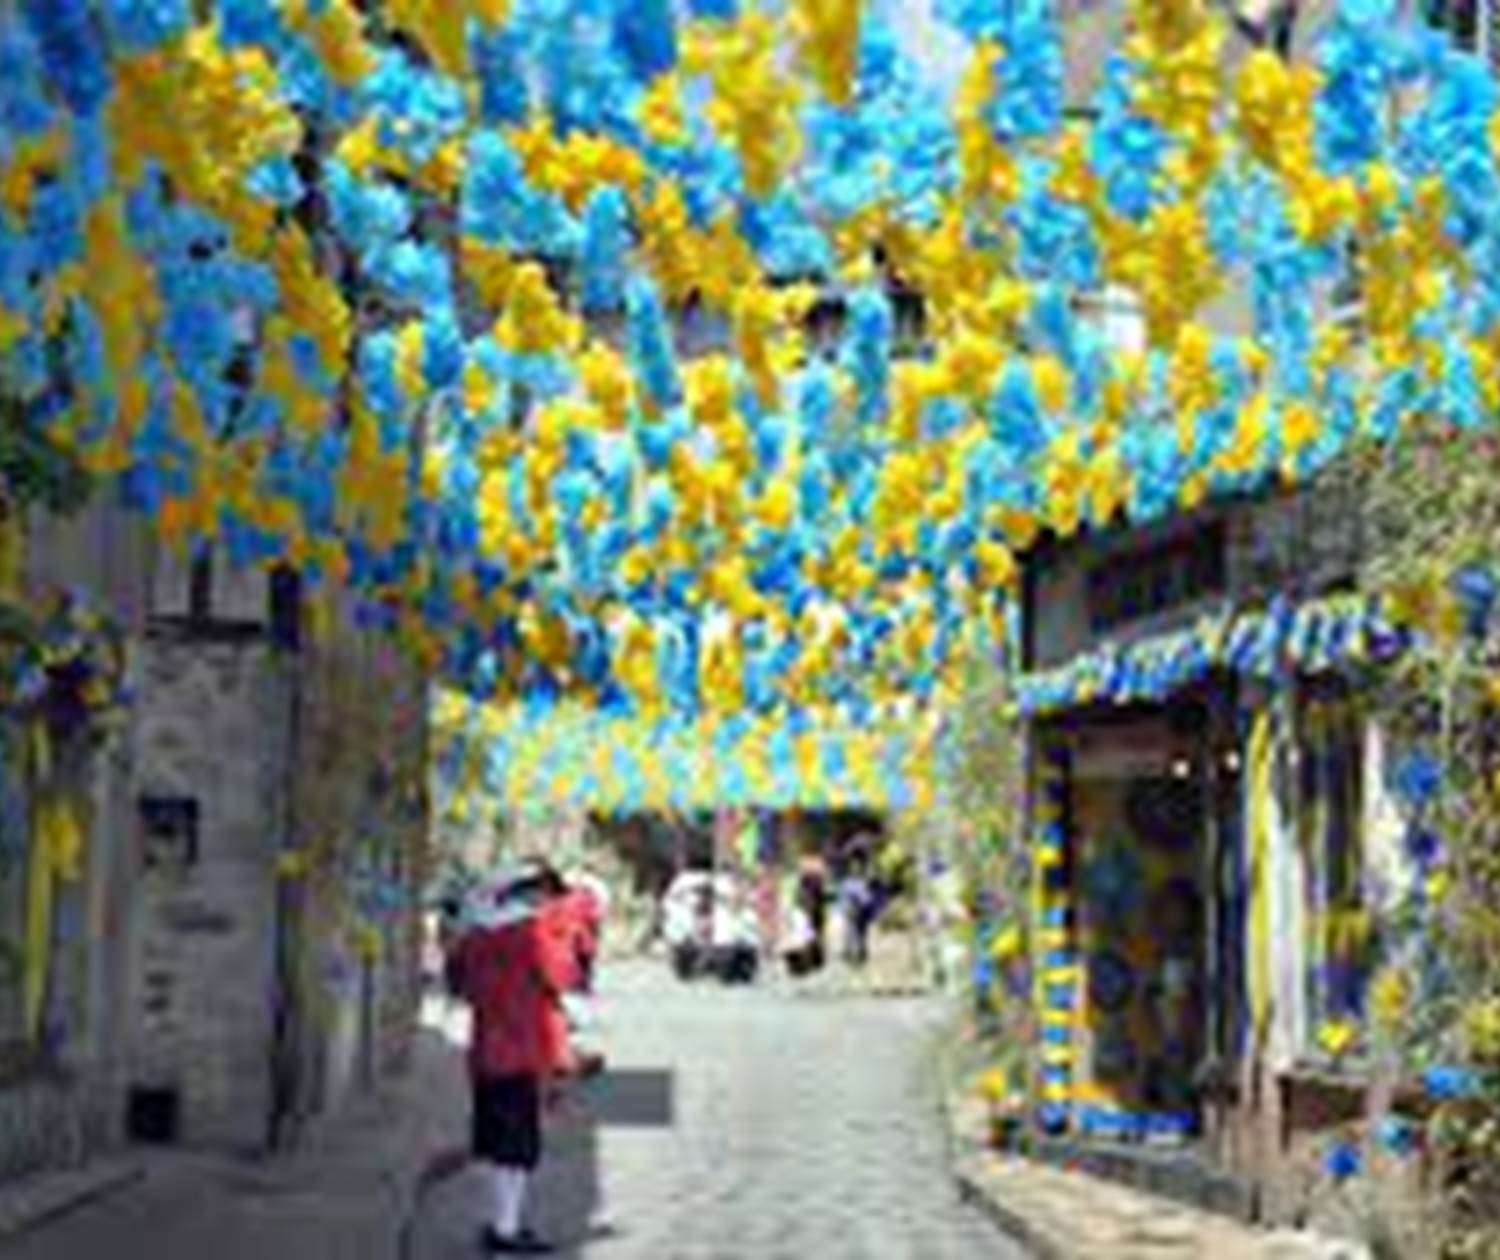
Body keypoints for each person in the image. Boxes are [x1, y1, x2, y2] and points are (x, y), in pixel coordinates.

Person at [449, 865, 574, 1255]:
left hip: (486, 1048)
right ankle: (506, 1229)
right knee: (518, 1146)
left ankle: (501, 1221)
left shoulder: (476, 934)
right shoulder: (531, 932)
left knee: (496, 1142)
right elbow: (562, 976)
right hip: (521, 1048)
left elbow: (458, 982)